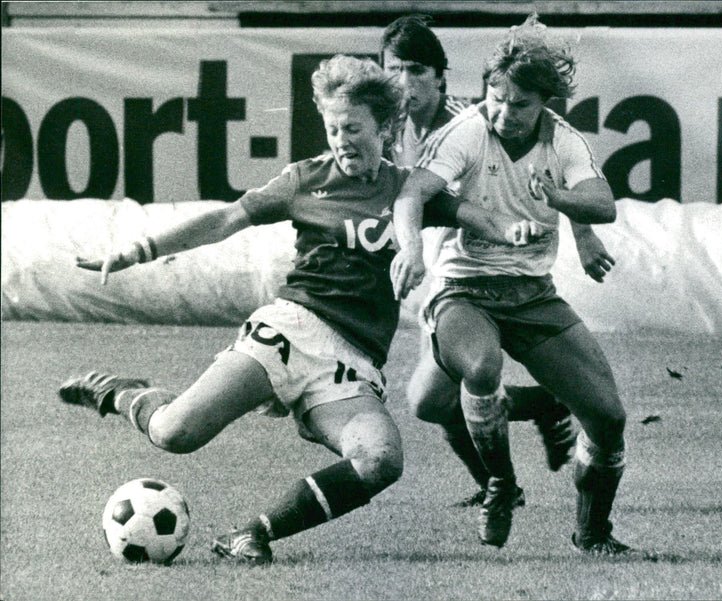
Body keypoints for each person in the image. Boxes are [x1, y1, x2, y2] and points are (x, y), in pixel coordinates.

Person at [58, 55, 535, 565]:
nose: (341, 140)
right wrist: (139, 250)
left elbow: (469, 213)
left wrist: (511, 229)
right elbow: (226, 219)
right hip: (291, 329)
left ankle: (252, 534)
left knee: (380, 460)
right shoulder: (305, 179)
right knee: (176, 433)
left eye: (353, 128)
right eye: (332, 129)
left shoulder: (407, 190)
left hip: (352, 362)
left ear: (387, 126)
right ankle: (121, 392)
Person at [390, 16, 647, 556]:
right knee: (476, 371)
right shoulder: (467, 128)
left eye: (520, 104)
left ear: (546, 102)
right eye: (495, 96)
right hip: (462, 288)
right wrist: (412, 250)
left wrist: (563, 210)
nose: (504, 112)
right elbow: (412, 193)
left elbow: (603, 202)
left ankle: (593, 535)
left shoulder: (563, 138)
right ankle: (501, 484)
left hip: (532, 293)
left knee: (608, 417)